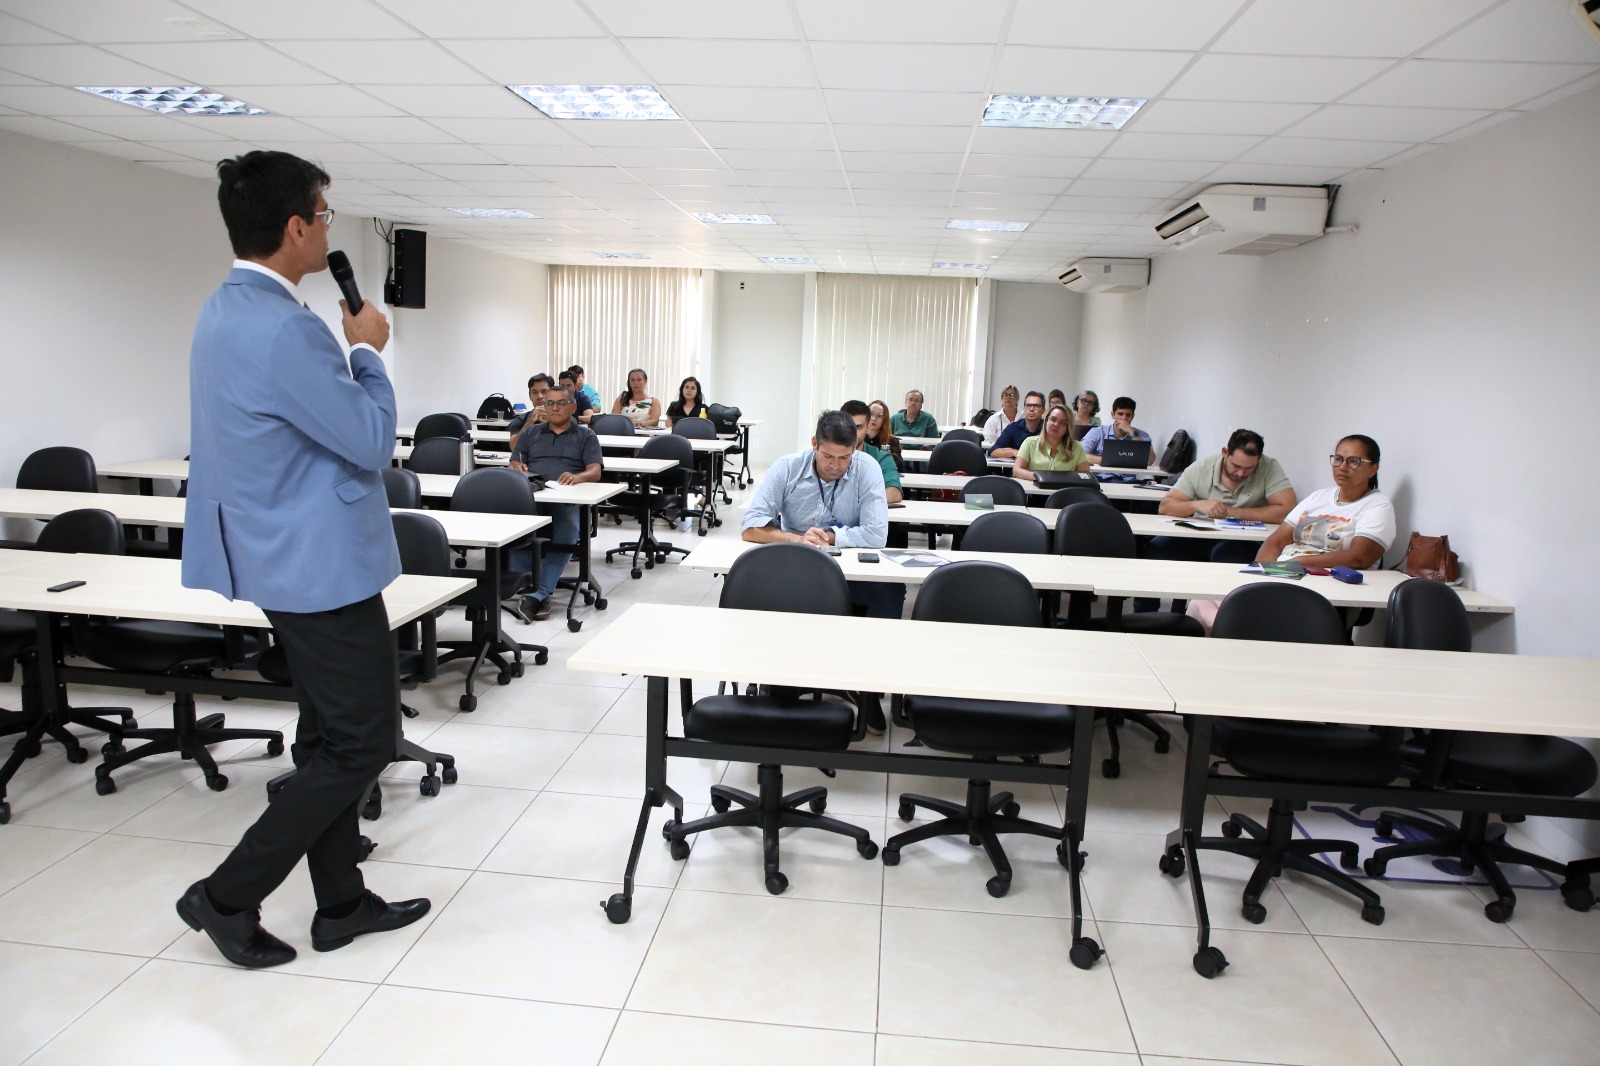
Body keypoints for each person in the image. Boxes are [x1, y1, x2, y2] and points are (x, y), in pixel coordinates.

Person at [177, 150, 427, 970]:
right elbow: (367, 441)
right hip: (319, 568)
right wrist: (367, 352)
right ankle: (225, 895)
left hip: (277, 555)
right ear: (295, 227)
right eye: (323, 215)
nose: (328, 227)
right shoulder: (287, 326)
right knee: (365, 744)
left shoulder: (222, 309)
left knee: (328, 738)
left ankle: (341, 904)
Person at [743, 410, 901, 732]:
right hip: (799, 569)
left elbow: (876, 534)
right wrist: (797, 539)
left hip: (849, 572)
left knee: (891, 591)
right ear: (814, 444)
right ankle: (778, 683)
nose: (836, 465)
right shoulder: (787, 468)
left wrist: (830, 537)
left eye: (845, 457)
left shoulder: (866, 468)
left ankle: (869, 690)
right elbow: (751, 527)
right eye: (828, 455)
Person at [1133, 429, 1298, 611]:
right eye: (1236, 465)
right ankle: (1144, 616)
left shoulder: (1269, 467)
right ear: (1225, 453)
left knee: (1226, 555)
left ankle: (1215, 622)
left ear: (1259, 460)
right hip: (1200, 536)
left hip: (1244, 540)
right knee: (1156, 550)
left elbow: (1286, 511)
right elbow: (1165, 507)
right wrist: (1197, 505)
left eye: (1249, 468)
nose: (1241, 473)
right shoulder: (1203, 468)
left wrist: (1230, 511)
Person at [508, 384, 603, 620]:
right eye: (549, 403)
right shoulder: (531, 433)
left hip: (566, 499)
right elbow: (514, 462)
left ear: (572, 407)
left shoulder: (585, 435)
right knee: (515, 527)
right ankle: (527, 587)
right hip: (534, 495)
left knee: (568, 529)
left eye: (560, 403)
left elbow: (595, 470)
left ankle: (539, 592)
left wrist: (577, 476)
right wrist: (518, 468)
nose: (554, 408)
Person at [1256, 434, 1394, 570]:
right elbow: (1276, 541)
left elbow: (1359, 557)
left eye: (1353, 461)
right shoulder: (1318, 497)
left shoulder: (1377, 505)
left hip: (1326, 580)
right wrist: (1259, 573)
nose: (1342, 467)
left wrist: (1299, 562)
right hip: (1284, 571)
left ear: (1372, 469)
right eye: (1338, 459)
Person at [842, 400, 902, 504]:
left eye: (858, 427)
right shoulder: (826, 455)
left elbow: (894, 493)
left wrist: (853, 504)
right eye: (848, 426)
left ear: (868, 427)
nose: (852, 433)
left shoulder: (881, 457)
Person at [1013, 404, 1090, 479]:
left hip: (1065, 490)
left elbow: (1086, 476)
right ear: (1046, 421)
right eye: (1053, 419)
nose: (1056, 424)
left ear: (1068, 427)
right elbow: (1016, 470)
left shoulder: (1076, 447)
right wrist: (1041, 478)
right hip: (1036, 490)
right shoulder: (1029, 443)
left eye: (1062, 422)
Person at [1081, 396, 1151, 463]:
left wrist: (1132, 433)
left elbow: (1150, 460)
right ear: (1113, 415)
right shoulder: (1097, 432)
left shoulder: (1141, 435)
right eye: (1120, 414)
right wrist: (1111, 460)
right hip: (1102, 475)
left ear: (1132, 416)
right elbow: (1081, 455)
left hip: (1127, 475)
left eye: (1128, 415)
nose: (1124, 418)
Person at [990, 390, 1046, 458]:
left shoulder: (1048, 429)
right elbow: (994, 451)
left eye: (1036, 406)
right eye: (1028, 405)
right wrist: (1014, 452)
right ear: (1024, 408)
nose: (1031, 409)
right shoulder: (1013, 428)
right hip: (1015, 467)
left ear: (1043, 410)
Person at [507, 373, 554, 448]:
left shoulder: (563, 419)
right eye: (534, 392)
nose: (540, 396)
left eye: (544, 392)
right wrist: (530, 421)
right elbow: (514, 447)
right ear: (530, 396)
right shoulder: (520, 420)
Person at [866, 400, 903, 468]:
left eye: (879, 416)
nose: (874, 419)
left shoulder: (892, 441)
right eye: (871, 414)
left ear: (884, 420)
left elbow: (899, 466)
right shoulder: (857, 439)